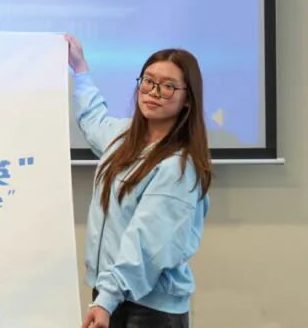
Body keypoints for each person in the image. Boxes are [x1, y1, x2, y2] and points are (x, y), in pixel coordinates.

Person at [65, 34, 212, 328]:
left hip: (148, 311)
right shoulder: (124, 137)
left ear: (187, 99)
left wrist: (106, 298)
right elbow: (94, 119)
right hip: (113, 296)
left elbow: (146, 245)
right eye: (148, 81)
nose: (153, 92)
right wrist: (80, 68)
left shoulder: (177, 167)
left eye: (168, 86)